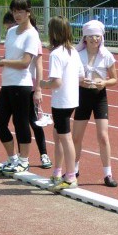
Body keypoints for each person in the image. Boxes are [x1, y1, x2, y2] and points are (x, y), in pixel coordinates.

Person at [0, 0, 42, 174]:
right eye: (14, 11)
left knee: (20, 123)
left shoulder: (32, 34)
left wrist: (2, 61)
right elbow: (10, 56)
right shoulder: (11, 32)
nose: (17, 15)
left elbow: (25, 62)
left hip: (22, 84)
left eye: (21, 11)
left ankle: (24, 160)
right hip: (7, 82)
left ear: (28, 12)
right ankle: (12, 159)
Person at [1, 11, 52, 169]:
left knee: (33, 121)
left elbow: (38, 64)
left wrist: (38, 89)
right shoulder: (14, 35)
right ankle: (19, 158)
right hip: (17, 83)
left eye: (10, 26)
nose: (9, 29)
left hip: (29, 84)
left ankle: (44, 154)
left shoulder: (32, 36)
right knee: (20, 121)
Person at [39, 15, 84, 191]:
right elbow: (81, 76)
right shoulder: (74, 52)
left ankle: (71, 175)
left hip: (61, 101)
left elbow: (56, 82)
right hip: (72, 99)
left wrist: (43, 84)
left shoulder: (56, 54)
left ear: (53, 33)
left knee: (64, 138)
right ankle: (57, 172)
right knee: (58, 136)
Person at [73, 20, 118, 187]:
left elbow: (114, 79)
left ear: (101, 37)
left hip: (99, 96)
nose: (94, 40)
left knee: (103, 136)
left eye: (97, 36)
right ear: (85, 38)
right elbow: (71, 78)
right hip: (82, 96)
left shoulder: (106, 55)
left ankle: (108, 174)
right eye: (91, 36)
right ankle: (74, 170)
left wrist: (104, 83)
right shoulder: (78, 55)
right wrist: (80, 82)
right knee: (76, 137)